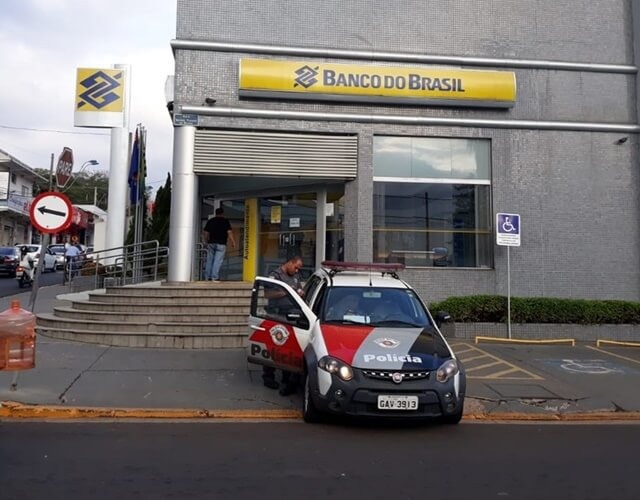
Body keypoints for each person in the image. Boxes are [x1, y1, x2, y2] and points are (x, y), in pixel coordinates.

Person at [263, 255, 305, 396]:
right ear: (289, 263)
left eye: (299, 268)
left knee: (287, 347)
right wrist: (286, 292)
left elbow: (299, 289)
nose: (297, 270)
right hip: (276, 315)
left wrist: (300, 293)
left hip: (291, 316)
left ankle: (286, 377)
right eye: (296, 267)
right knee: (273, 346)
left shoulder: (295, 276)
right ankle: (268, 377)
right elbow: (268, 294)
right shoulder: (275, 275)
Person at [202, 207, 236, 281]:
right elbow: (229, 232)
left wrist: (206, 241)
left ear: (216, 213)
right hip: (221, 243)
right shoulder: (225, 221)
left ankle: (207, 277)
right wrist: (233, 241)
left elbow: (206, 232)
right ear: (222, 213)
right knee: (217, 261)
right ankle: (214, 277)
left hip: (211, 243)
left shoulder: (211, 221)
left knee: (209, 260)